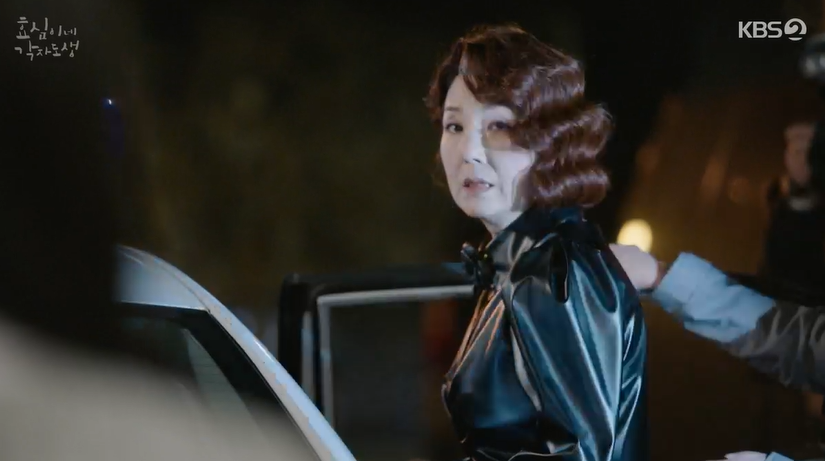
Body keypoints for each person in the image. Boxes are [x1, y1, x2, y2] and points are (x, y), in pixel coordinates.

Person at [424, 24, 648, 461]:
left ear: (550, 141)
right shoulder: (519, 262)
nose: (469, 150)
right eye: (454, 125)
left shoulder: (554, 272)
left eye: (499, 125)